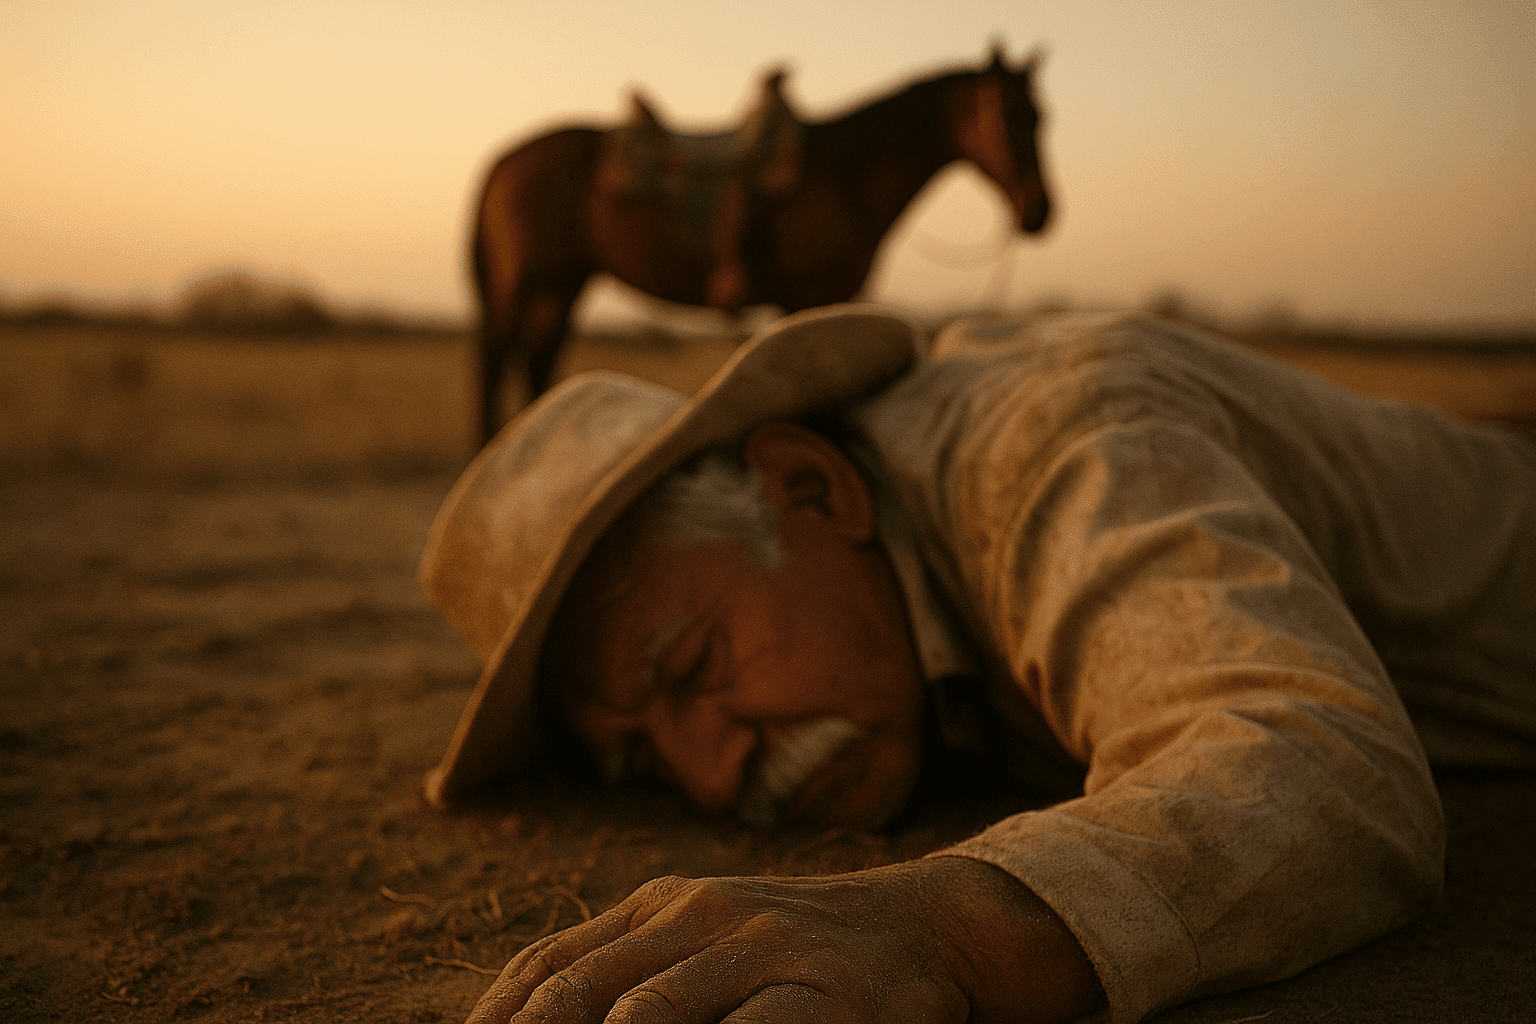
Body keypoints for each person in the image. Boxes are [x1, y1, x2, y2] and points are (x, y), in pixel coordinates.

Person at [418, 304, 1535, 1024]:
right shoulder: (883, 612)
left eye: (691, 664)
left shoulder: (1056, 446)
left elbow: (1328, 767)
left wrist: (941, 926)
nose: (711, 776)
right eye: (642, 761)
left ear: (814, 487)